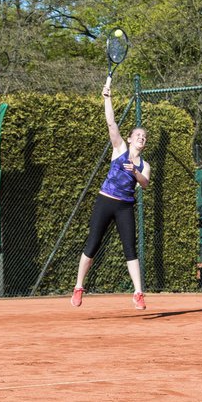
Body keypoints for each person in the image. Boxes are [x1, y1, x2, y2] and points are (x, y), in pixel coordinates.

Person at [71, 79, 152, 310]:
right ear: (129, 138)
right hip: (105, 200)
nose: (141, 138)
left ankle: (138, 293)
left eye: (144, 137)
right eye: (138, 135)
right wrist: (107, 99)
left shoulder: (145, 165)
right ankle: (78, 287)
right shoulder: (119, 149)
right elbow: (111, 123)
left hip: (125, 206)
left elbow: (144, 184)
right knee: (93, 243)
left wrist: (135, 171)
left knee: (130, 248)